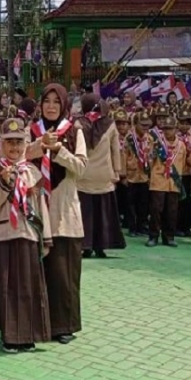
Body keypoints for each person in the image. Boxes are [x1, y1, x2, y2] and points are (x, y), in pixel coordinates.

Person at [27, 84, 86, 345]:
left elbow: (81, 167)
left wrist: (59, 151)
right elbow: (21, 156)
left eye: (55, 101)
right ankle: (37, 322)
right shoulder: (31, 131)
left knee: (63, 272)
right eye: (46, 101)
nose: (51, 106)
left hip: (63, 212)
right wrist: (42, 145)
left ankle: (63, 325)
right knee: (38, 271)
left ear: (63, 105)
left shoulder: (74, 131)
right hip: (37, 209)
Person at [0, 118, 51, 354]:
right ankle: (9, 336)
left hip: (29, 234)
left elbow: (41, 206)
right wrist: (4, 185)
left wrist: (48, 236)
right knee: (8, 287)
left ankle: (28, 334)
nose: (14, 148)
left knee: (28, 286)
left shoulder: (33, 172)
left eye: (18, 143)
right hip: (5, 234)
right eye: (9, 144)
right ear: (1, 146)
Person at [76, 93, 126, 259]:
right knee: (102, 213)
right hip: (104, 176)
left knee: (86, 213)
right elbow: (115, 150)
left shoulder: (78, 124)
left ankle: (86, 245)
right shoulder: (110, 125)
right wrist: (117, 171)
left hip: (82, 176)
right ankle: (101, 246)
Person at [147, 114, 186, 247]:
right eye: (165, 129)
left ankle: (169, 237)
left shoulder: (181, 146)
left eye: (170, 128)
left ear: (176, 129)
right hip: (158, 180)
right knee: (156, 210)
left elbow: (183, 163)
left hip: (173, 182)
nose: (168, 131)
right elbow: (150, 161)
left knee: (172, 211)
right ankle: (153, 236)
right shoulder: (157, 144)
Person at [123, 111, 153, 237]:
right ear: (135, 124)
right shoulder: (129, 139)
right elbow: (123, 157)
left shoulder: (150, 139)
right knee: (130, 204)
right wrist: (123, 175)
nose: (145, 128)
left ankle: (142, 225)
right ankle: (132, 227)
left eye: (147, 125)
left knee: (143, 203)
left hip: (144, 176)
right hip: (131, 176)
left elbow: (152, 157)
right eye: (142, 125)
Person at [176, 111, 191, 239]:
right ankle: (177, 227)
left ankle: (187, 227)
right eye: (182, 123)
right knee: (179, 201)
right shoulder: (175, 138)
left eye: (187, 123)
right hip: (179, 173)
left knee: (190, 201)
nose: (184, 126)